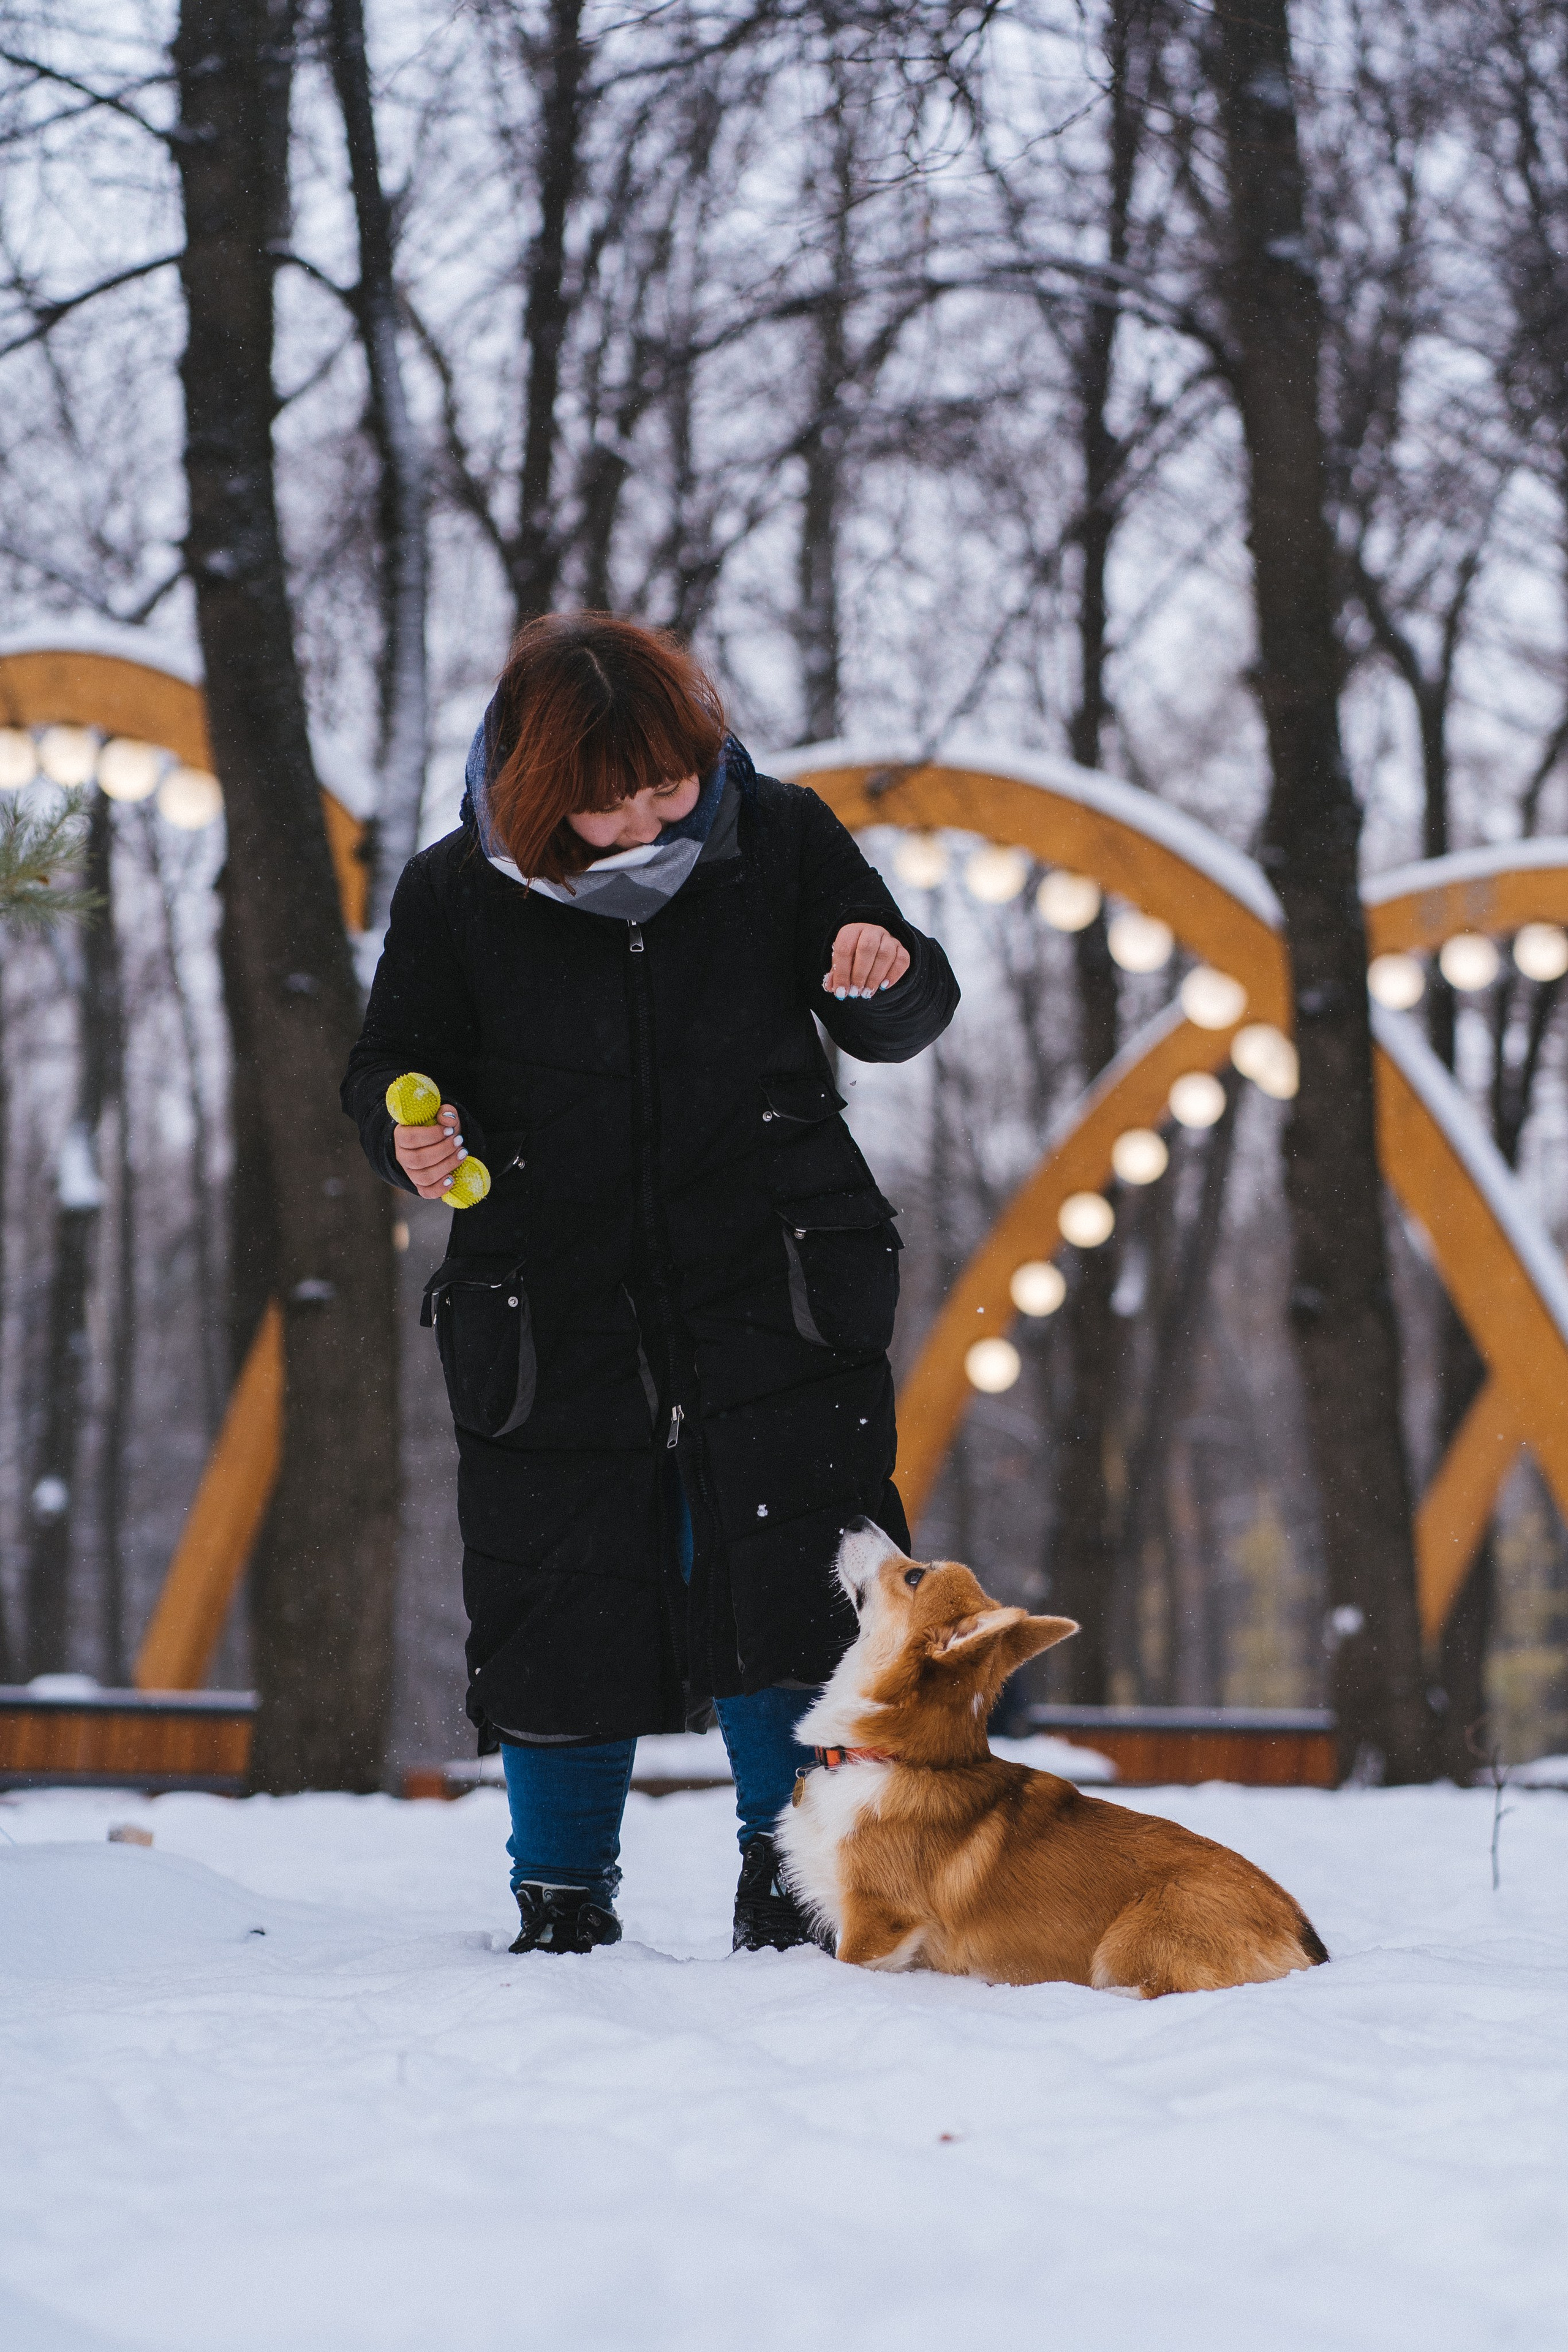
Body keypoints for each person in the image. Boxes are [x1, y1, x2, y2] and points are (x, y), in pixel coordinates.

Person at [342, 613, 959, 1955]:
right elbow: (390, 1060)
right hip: (546, 1290)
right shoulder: (456, 891)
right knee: (555, 1577)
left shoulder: (779, 839)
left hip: (776, 1272)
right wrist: (410, 1127)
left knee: (805, 1566)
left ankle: (794, 1873)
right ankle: (560, 1891)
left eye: (666, 787)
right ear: (534, 790)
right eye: (603, 802)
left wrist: (883, 972)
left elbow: (897, 1003)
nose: (641, 823)